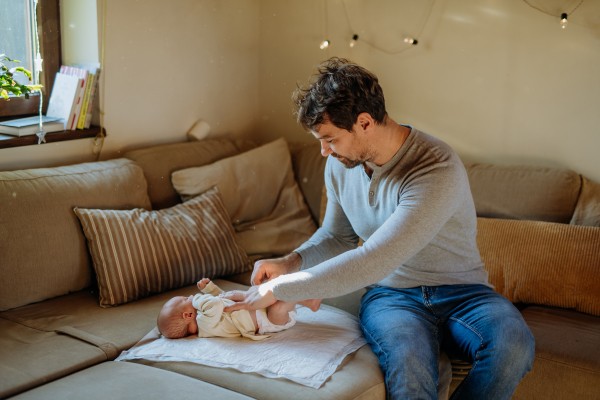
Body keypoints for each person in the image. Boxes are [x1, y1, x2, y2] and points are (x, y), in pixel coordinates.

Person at [220, 57, 535, 399]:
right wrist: (289, 263)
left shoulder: (435, 168)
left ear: (365, 122)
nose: (324, 152)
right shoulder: (341, 166)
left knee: (513, 346)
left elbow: (376, 257)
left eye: (330, 139)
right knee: (410, 370)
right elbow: (337, 237)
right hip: (392, 297)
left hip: (463, 292)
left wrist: (283, 288)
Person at [157, 278, 321, 340]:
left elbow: (223, 298)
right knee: (279, 305)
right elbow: (216, 304)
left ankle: (305, 295)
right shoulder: (203, 324)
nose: (191, 296)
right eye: (186, 299)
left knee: (275, 287)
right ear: (188, 315)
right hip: (268, 321)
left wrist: (210, 290)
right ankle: (308, 301)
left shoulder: (206, 316)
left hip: (261, 306)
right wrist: (199, 298)